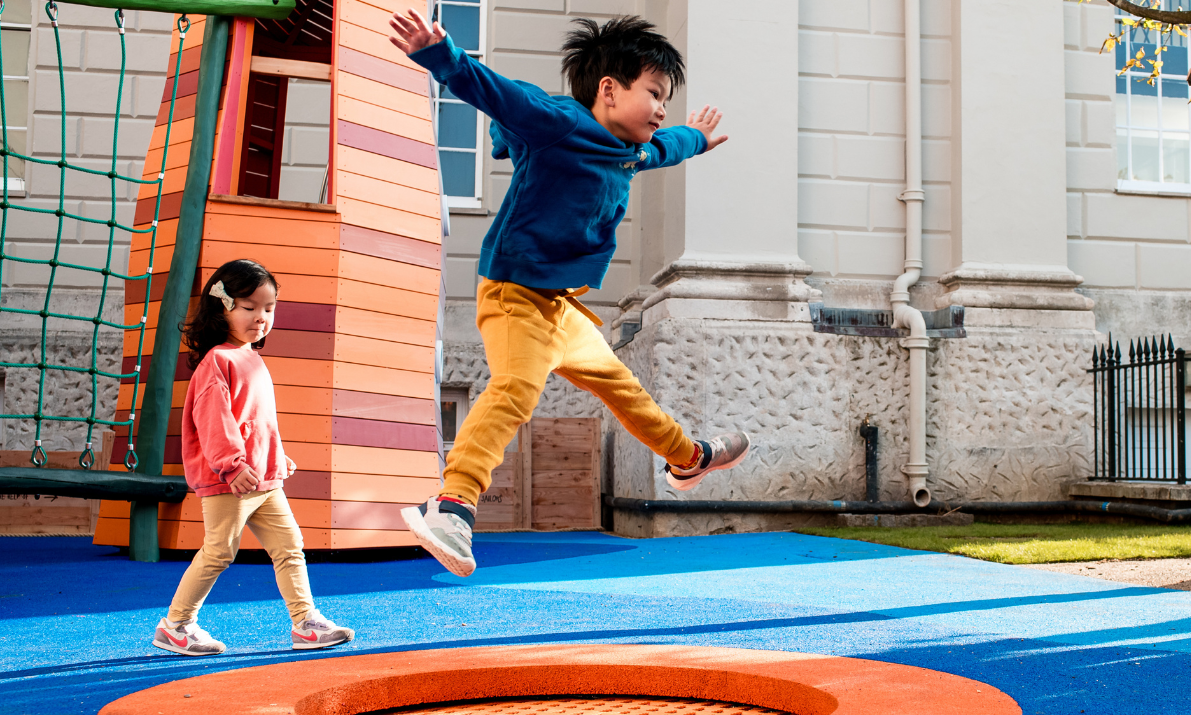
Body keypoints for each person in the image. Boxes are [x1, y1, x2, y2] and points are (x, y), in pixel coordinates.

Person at [390, 11, 751, 578]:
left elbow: (668, 148)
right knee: (515, 389)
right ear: (609, 91)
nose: (662, 110)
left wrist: (698, 140)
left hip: (562, 308)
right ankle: (452, 505)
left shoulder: (631, 148)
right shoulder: (558, 121)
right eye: (654, 94)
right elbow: (499, 95)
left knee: (624, 389)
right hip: (515, 294)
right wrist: (442, 57)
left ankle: (688, 459)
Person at [151, 259, 354, 656]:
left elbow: (257, 422)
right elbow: (216, 422)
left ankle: (305, 622)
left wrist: (276, 457)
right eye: (249, 307)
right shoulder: (218, 362)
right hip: (233, 480)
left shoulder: (251, 357)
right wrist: (232, 465)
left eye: (269, 308)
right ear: (221, 307)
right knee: (219, 551)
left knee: (290, 546)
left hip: (264, 479)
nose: (260, 317)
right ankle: (176, 624)